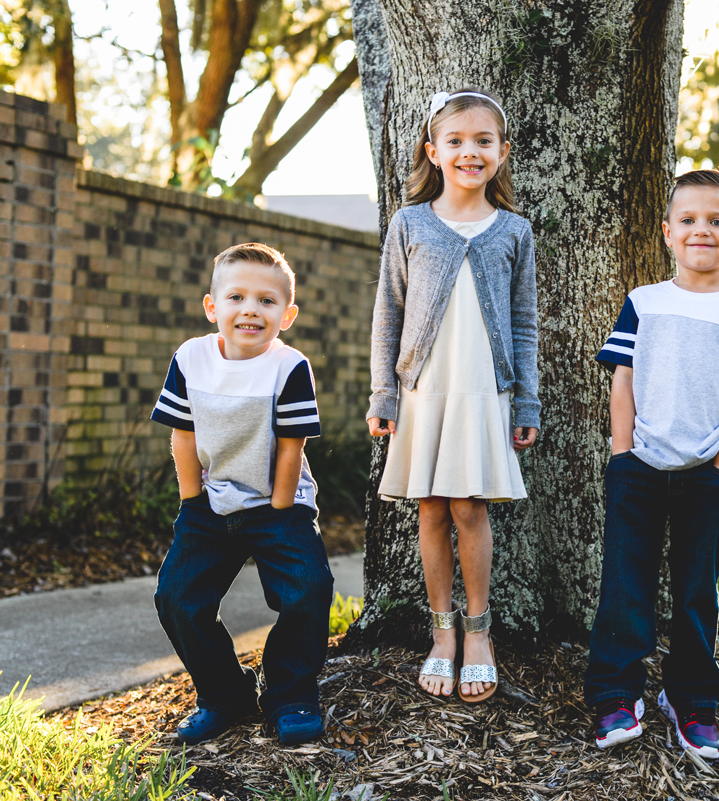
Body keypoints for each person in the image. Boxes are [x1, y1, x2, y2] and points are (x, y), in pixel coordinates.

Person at [584, 169, 719, 755]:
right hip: (637, 469)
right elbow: (623, 380)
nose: (703, 231)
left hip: (705, 476)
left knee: (697, 590)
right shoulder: (644, 303)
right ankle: (617, 695)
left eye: (718, 222)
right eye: (690, 220)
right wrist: (623, 456)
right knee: (625, 585)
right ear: (668, 232)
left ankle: (693, 699)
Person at [367, 88, 540, 703]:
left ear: (501, 153)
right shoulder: (409, 224)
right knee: (431, 509)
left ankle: (478, 633)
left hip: (483, 390)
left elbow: (524, 324)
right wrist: (382, 394)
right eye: (457, 141)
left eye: (483, 141)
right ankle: (440, 633)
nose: (470, 151)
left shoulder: (514, 231)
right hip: (424, 389)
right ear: (433, 151)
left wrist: (527, 403)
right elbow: (388, 312)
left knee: (471, 508)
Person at [150, 243, 333, 746]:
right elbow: (182, 435)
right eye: (236, 297)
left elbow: (292, 447)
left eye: (267, 301)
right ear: (213, 307)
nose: (251, 309)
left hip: (279, 503)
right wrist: (192, 502)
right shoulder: (191, 358)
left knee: (307, 591)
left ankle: (291, 696)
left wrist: (277, 510)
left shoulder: (289, 367)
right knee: (178, 598)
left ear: (287, 314)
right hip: (210, 502)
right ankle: (224, 696)